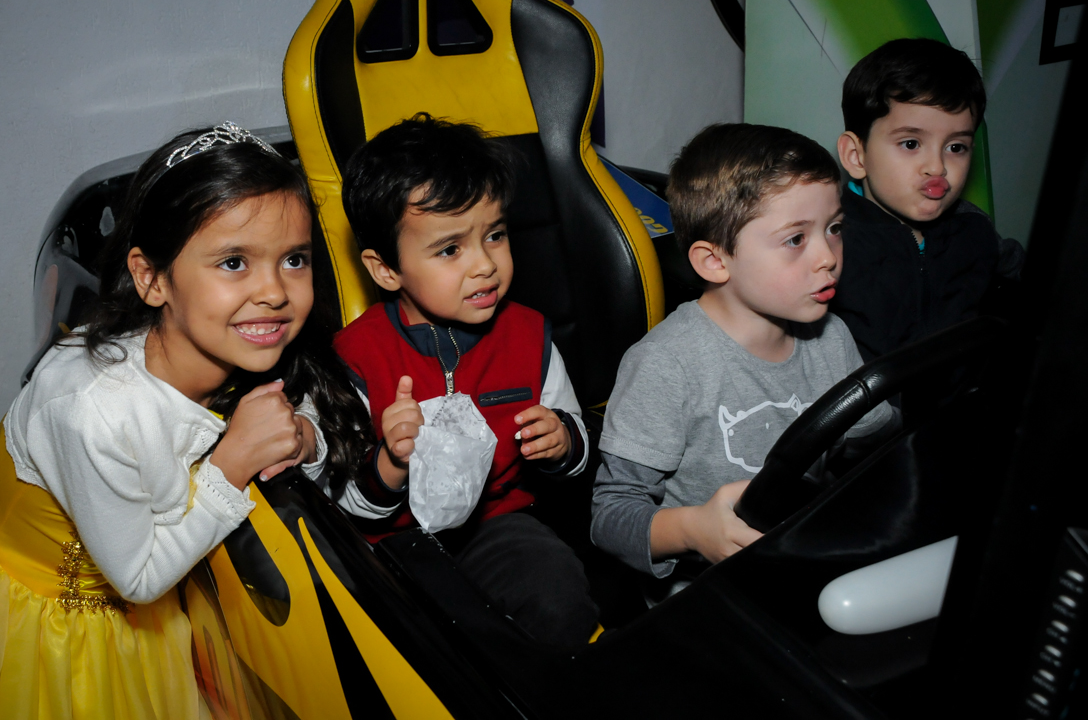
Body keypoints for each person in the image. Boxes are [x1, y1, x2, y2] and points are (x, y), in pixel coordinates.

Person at [0, 122, 372, 719]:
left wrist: (302, 436)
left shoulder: (239, 341)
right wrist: (231, 465)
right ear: (151, 278)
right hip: (46, 618)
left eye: (294, 259)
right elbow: (142, 578)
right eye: (233, 262)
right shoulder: (92, 409)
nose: (274, 291)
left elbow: (304, 408)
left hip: (166, 585)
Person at [591, 123, 896, 601]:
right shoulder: (666, 366)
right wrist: (693, 530)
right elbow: (611, 519)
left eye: (834, 228)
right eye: (796, 239)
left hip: (802, 565)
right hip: (705, 597)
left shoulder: (832, 336)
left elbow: (874, 447)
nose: (828, 257)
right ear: (715, 262)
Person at [330, 113, 599, 648]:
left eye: (495, 235)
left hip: (495, 525)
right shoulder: (354, 358)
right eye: (450, 249)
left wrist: (565, 442)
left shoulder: (529, 335)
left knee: (556, 591)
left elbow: (584, 446)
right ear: (386, 270)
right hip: (392, 543)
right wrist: (388, 465)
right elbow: (340, 510)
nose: (485, 265)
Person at [832, 37, 1024, 362]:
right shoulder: (829, 244)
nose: (937, 167)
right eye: (910, 144)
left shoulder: (973, 226)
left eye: (956, 147)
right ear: (856, 155)